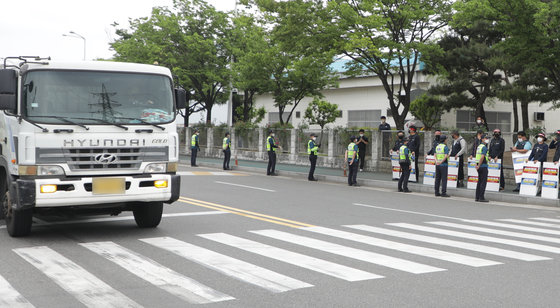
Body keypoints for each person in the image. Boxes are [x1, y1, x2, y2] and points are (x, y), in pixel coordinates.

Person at [475, 134, 490, 202]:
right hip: (483, 166)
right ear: (482, 139)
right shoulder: (484, 147)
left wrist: (476, 165)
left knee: (479, 182)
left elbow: (477, 156)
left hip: (479, 166)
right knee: (483, 182)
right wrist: (479, 165)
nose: (487, 139)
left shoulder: (479, 147)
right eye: (486, 138)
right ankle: (481, 197)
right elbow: (482, 157)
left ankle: (477, 197)